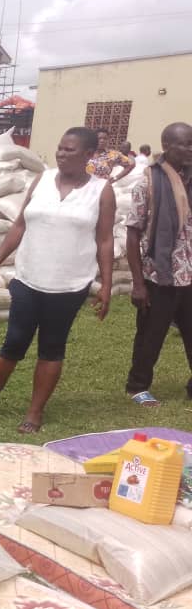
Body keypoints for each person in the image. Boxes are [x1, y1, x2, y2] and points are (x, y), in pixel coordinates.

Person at [0, 127, 115, 432]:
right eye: (60, 148)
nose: (62, 154)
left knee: (52, 346)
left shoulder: (101, 190)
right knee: (14, 342)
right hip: (28, 278)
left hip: (70, 284)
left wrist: (106, 284)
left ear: (89, 155)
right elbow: (20, 224)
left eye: (70, 150)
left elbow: (105, 240)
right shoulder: (43, 180)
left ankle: (35, 412)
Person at [124, 122, 192, 407]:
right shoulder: (149, 182)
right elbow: (132, 232)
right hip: (160, 275)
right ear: (166, 146)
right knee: (151, 336)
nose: (190, 149)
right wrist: (139, 284)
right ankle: (138, 385)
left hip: (190, 276)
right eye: (184, 144)